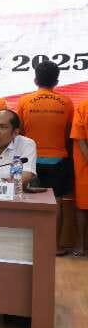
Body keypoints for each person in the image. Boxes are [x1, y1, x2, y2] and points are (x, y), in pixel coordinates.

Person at [17, 60, 74, 255]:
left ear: (35, 80)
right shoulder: (67, 102)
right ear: (56, 81)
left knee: (28, 203)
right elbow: (68, 134)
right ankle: (54, 247)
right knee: (56, 204)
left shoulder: (24, 101)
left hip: (30, 161)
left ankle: (30, 248)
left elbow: (20, 132)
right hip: (58, 159)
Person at [71, 99, 88, 256]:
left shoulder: (83, 106)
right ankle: (81, 246)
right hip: (84, 166)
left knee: (82, 207)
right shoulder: (83, 106)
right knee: (82, 206)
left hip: (85, 164)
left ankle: (81, 246)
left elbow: (79, 137)